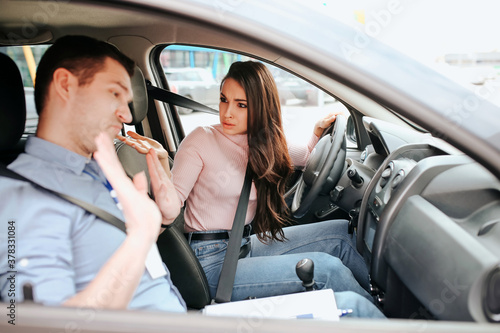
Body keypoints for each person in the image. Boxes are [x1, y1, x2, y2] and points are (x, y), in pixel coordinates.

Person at [121, 61, 384, 318]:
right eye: (224, 100)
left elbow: (306, 157)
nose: (227, 113)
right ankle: (382, 322)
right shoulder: (200, 140)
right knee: (326, 269)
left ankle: (381, 306)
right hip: (211, 262)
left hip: (244, 245)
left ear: (261, 107)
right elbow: (171, 205)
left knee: (341, 234)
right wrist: (160, 168)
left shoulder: (266, 141)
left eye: (241, 105)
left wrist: (317, 133)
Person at [0, 35, 185, 312]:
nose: (127, 115)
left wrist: (160, 221)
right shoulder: (20, 196)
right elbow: (43, 326)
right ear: (66, 85)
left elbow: (105, 252)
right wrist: (140, 237)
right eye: (114, 94)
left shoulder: (95, 168)